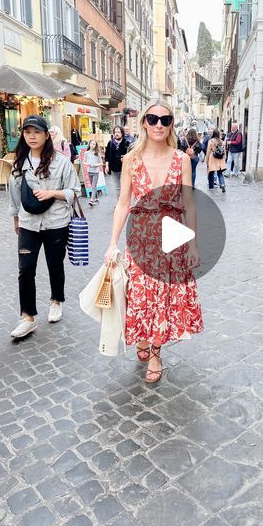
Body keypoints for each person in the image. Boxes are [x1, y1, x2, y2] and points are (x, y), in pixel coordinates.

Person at [104, 99, 204, 383]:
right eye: (153, 119)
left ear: (172, 124)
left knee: (162, 297)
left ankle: (156, 353)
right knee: (139, 295)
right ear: (144, 122)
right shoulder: (130, 160)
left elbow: (189, 204)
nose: (159, 124)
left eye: (165, 120)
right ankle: (142, 337)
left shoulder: (181, 159)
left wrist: (193, 245)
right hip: (141, 237)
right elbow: (123, 204)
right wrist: (112, 243)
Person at [9, 115, 80, 339]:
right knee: (25, 269)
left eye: (37, 131)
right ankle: (27, 317)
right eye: (27, 131)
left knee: (55, 265)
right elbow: (13, 193)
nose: (32, 136)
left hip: (56, 223)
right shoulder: (19, 162)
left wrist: (53, 193)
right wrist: (16, 218)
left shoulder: (61, 162)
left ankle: (56, 300)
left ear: (46, 135)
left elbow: (74, 191)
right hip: (29, 223)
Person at [105, 126, 128, 196]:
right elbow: (107, 155)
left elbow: (132, 154)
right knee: (117, 187)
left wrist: (126, 157)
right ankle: (119, 204)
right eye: (115, 132)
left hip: (124, 169)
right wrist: (107, 166)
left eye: (118, 132)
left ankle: (123, 204)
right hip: (114, 168)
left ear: (122, 133)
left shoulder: (126, 142)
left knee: (124, 187)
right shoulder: (111, 142)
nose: (116, 134)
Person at [85, 139, 102, 206]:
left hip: (96, 172)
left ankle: (91, 200)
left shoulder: (98, 154)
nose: (92, 145)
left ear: (95, 145)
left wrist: (95, 165)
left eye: (94, 144)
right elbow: (84, 162)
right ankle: (96, 198)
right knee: (93, 186)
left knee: (93, 186)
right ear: (89, 144)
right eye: (91, 144)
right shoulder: (86, 153)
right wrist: (88, 164)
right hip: (89, 171)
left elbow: (101, 163)